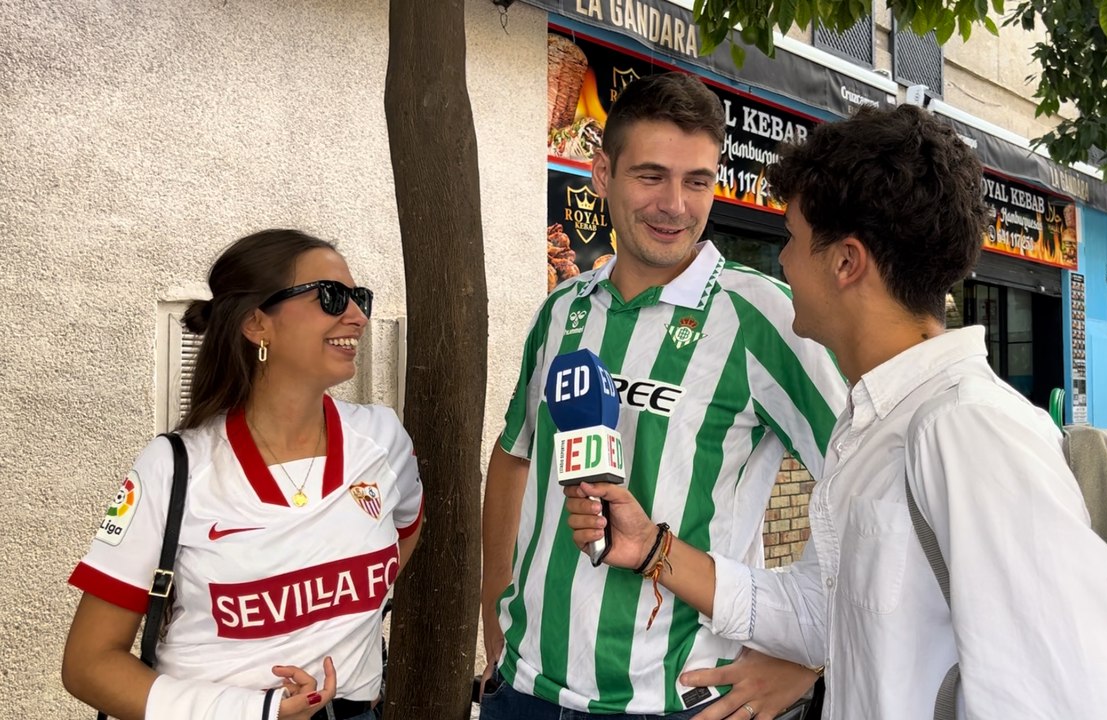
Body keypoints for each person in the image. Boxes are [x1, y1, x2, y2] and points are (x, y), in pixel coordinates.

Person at [565, 104, 1107, 718]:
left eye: (792, 239)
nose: (780, 262)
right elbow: (821, 613)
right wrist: (653, 548)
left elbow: (1064, 699)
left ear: (845, 262)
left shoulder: (969, 429)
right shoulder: (876, 424)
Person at [480, 72, 846, 719]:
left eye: (697, 181)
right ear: (602, 174)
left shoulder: (760, 316)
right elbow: (514, 455)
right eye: (651, 175)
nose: (675, 203)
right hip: (525, 692)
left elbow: (866, 485)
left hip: (677, 702)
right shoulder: (561, 309)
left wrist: (808, 657)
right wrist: (496, 614)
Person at [63, 229, 423, 720]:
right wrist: (254, 709)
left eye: (360, 298)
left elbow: (406, 529)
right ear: (257, 324)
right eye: (332, 297)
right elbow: (88, 664)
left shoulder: (383, 440)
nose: (358, 317)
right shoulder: (175, 467)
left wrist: (335, 626)